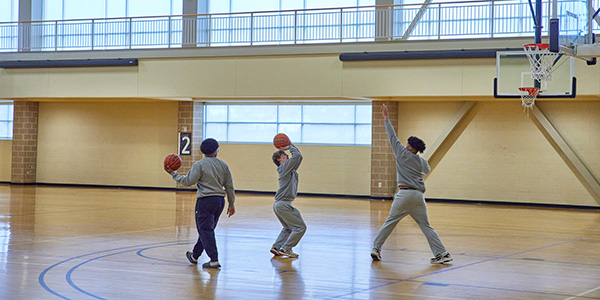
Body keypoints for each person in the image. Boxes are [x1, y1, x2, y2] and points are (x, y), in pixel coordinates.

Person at [371, 104, 452, 264]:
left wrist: (386, 119)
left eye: (408, 144)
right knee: (426, 226)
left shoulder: (401, 153)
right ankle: (442, 253)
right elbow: (426, 169)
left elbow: (392, 137)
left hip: (404, 194)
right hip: (418, 196)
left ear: (410, 147)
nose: (406, 146)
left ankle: (376, 248)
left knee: (390, 222)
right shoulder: (421, 162)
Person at [164, 138, 235, 269]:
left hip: (205, 201)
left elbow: (187, 181)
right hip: (219, 201)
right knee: (207, 229)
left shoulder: (200, 164)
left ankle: (214, 260)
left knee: (205, 230)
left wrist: (173, 174)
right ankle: (195, 255)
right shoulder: (223, 165)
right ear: (215, 150)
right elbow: (229, 186)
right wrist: (231, 203)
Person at [270, 142, 306, 258]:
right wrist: (290, 146)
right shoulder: (284, 168)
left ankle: (276, 247)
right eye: (284, 155)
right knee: (300, 227)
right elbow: (298, 157)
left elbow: (298, 159)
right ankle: (286, 248)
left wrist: (292, 147)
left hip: (280, 204)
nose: (287, 155)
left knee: (288, 228)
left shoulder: (288, 168)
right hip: (283, 204)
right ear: (279, 159)